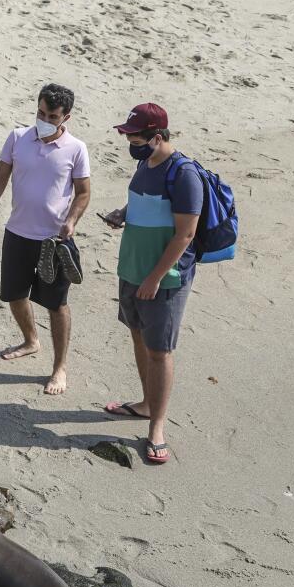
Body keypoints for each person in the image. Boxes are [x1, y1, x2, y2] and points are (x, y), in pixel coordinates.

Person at [101, 103, 201, 464]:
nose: (130, 143)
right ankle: (145, 403)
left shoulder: (184, 174)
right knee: (138, 335)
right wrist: (122, 213)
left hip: (164, 279)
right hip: (131, 268)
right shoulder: (145, 163)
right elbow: (142, 202)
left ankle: (157, 427)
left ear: (157, 137)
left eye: (135, 137)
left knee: (160, 351)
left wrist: (155, 277)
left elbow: (186, 234)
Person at [0, 84, 91, 395]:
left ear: (65, 117)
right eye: (40, 112)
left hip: (53, 241)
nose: (44, 119)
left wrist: (71, 221)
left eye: (51, 116)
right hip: (17, 234)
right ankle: (31, 340)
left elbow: (83, 193)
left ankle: (59, 368)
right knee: (14, 295)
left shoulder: (76, 149)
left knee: (57, 305)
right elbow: (0, 177)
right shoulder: (18, 138)